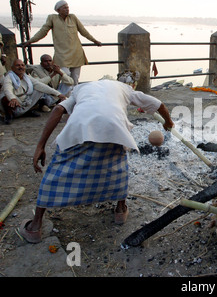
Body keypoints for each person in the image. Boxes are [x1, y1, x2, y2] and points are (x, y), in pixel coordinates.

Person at [18, 78, 175, 243]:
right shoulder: (124, 89)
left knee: (57, 172)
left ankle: (35, 227)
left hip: (79, 128)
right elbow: (159, 105)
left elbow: (58, 109)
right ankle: (120, 211)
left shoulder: (80, 89)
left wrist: (40, 146)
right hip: (114, 128)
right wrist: (169, 123)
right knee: (117, 167)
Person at [22, 0, 102, 88]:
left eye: (67, 7)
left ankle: (74, 97)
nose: (67, 9)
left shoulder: (73, 18)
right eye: (64, 8)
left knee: (75, 78)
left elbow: (83, 31)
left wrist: (94, 41)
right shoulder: (52, 18)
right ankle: (65, 96)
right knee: (65, 75)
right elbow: (43, 32)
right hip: (62, 54)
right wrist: (30, 41)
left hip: (76, 53)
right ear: (58, 10)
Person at [0, 59, 66, 124]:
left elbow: (40, 85)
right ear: (12, 68)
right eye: (18, 65)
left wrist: (58, 94)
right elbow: (7, 88)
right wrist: (12, 98)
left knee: (39, 90)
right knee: (5, 97)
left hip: (25, 101)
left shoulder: (26, 77)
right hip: (15, 101)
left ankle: (25, 112)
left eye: (22, 65)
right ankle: (9, 115)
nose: (21, 67)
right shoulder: (8, 77)